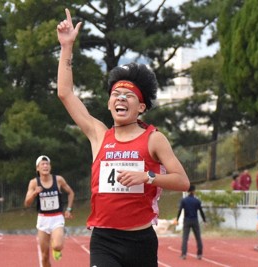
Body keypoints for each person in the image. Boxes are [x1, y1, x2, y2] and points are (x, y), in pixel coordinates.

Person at [56, 9, 190, 267]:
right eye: (115, 94)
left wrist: (148, 177)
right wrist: (67, 46)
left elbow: (182, 181)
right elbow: (65, 93)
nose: (120, 98)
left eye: (128, 96)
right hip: (104, 240)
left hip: (141, 240)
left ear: (141, 107)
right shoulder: (98, 134)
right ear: (108, 104)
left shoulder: (154, 139)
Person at [24, 155, 75, 267]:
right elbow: (27, 203)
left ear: (50, 167)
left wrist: (69, 209)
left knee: (57, 245)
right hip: (43, 219)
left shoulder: (58, 180)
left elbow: (71, 193)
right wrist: (34, 193)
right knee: (44, 257)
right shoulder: (34, 183)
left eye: (47, 164)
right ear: (37, 168)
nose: (45, 166)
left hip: (57, 218)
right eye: (43, 164)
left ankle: (56, 249)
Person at [175, 185, 206, 260]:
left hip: (187, 220)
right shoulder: (197, 201)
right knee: (198, 237)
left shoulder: (184, 200)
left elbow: (180, 210)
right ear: (194, 191)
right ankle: (199, 254)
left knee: (185, 238)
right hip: (195, 220)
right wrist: (204, 220)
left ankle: (183, 254)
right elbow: (201, 211)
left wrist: (177, 219)